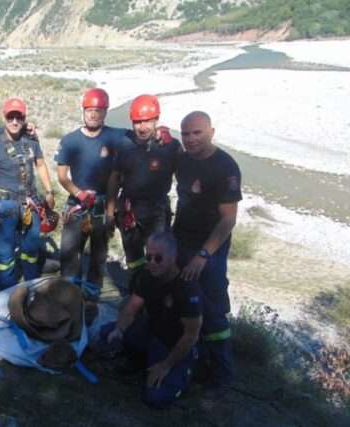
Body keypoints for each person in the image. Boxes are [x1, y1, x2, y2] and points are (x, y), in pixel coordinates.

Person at [173, 111, 242, 390]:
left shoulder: (226, 167)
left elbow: (228, 220)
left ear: (211, 132)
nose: (190, 139)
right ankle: (193, 358)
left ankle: (222, 375)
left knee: (212, 307)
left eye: (197, 133)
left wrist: (203, 255)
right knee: (185, 300)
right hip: (181, 239)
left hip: (210, 249)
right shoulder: (182, 159)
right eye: (185, 134)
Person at [108, 231, 202, 408]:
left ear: (173, 257)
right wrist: (119, 330)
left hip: (175, 346)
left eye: (158, 258)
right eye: (148, 257)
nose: (151, 262)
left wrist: (166, 365)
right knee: (107, 335)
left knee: (155, 398)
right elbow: (131, 308)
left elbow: (191, 336)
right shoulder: (146, 276)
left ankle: (183, 372)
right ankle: (141, 359)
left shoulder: (186, 288)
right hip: (153, 333)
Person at [107, 94, 181, 291]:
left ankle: (158, 298)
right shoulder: (124, 145)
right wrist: (110, 212)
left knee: (159, 260)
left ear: (156, 119)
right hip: (128, 211)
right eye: (137, 122)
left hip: (156, 212)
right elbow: (115, 178)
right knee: (134, 259)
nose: (142, 127)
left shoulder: (171, 146)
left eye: (147, 121)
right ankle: (136, 291)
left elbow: (185, 175)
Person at [55, 88, 124, 297]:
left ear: (105, 112)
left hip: (102, 204)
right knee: (69, 253)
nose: (93, 114)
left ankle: (92, 294)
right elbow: (62, 176)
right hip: (78, 203)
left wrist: (160, 131)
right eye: (89, 110)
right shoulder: (70, 141)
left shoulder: (115, 136)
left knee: (98, 255)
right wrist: (79, 193)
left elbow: (141, 133)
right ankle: (69, 294)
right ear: (83, 111)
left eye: (98, 110)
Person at [0, 97, 55, 290]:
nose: (14, 122)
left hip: (31, 202)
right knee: (4, 252)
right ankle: (7, 290)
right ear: (3, 117)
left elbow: (40, 164)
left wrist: (49, 191)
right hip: (6, 204)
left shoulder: (31, 140)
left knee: (31, 247)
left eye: (19, 117)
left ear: (24, 118)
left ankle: (31, 284)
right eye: (10, 117)